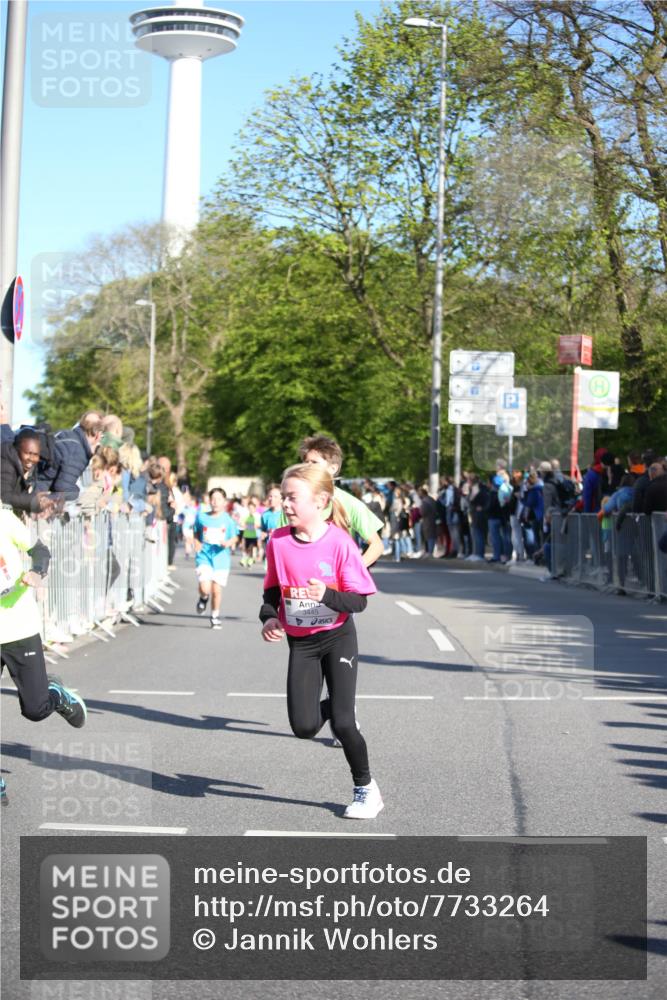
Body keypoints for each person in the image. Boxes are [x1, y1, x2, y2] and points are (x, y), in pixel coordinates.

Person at [260, 463, 382, 819]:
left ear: (321, 500)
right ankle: (330, 706)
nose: (285, 504)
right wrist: (268, 617)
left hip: (337, 638)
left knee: (344, 723)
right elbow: (271, 589)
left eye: (293, 498)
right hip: (302, 643)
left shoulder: (340, 544)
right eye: (283, 497)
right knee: (304, 727)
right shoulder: (278, 542)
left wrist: (328, 594)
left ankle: (366, 790)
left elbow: (358, 600)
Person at [0, 507, 87, 804]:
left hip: (18, 628)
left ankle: (55, 693)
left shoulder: (3, 519)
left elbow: (40, 550)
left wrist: (36, 571)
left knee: (35, 710)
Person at [296, 435, 384, 567]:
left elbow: (376, 546)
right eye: (306, 462)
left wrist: (353, 569)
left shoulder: (349, 502)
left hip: (337, 583)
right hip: (302, 580)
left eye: (314, 462)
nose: (308, 467)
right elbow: (279, 545)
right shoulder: (293, 503)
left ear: (333, 468)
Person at [193, 487, 237, 629]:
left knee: (216, 590)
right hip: (204, 557)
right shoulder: (202, 517)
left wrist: (228, 543)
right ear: (209, 501)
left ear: (224, 502)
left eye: (218, 499)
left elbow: (235, 537)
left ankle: (215, 616)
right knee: (206, 589)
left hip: (221, 559)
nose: (215, 502)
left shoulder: (228, 520)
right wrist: (197, 543)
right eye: (213, 499)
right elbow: (196, 533)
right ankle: (203, 598)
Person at [0, 429, 54, 517]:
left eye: (36, 454)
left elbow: (18, 496)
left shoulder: (26, 466)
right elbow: (3, 496)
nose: (32, 458)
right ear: (17, 449)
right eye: (28, 453)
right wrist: (32, 500)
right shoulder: (5, 463)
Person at [241, 498, 261, 567]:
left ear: (255, 509)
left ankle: (250, 559)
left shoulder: (257, 515)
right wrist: (244, 525)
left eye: (252, 508)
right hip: (246, 534)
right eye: (249, 508)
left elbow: (259, 524)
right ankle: (245, 558)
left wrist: (255, 526)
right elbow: (242, 523)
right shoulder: (246, 515)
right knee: (245, 547)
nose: (251, 510)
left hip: (254, 534)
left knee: (252, 547)